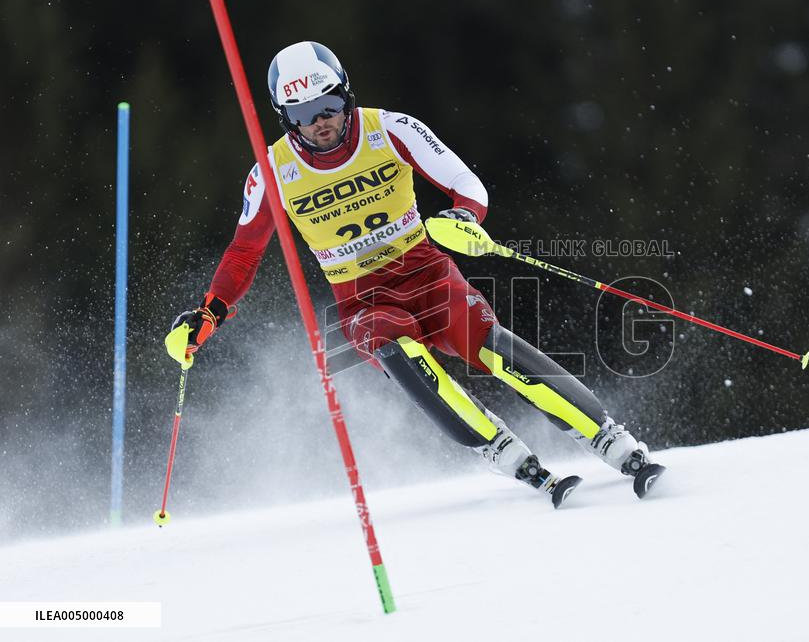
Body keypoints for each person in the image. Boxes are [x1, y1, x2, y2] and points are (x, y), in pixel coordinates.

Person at [171, 41, 664, 508]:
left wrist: (465, 217)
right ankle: (504, 451)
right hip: (361, 301)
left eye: (329, 104)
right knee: (394, 346)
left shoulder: (390, 129)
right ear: (285, 118)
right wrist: (209, 313)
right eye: (302, 114)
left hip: (428, 273)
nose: (321, 122)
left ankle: (613, 441)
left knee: (488, 343)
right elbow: (243, 253)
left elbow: (464, 183)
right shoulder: (272, 172)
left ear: (347, 94)